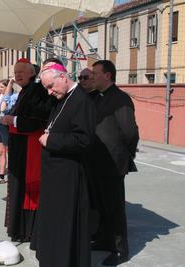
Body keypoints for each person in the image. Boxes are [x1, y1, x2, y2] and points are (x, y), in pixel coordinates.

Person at [34, 63, 96, 267]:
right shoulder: (61, 98)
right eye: (47, 89)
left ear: (63, 77)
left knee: (64, 222)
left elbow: (83, 140)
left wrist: (50, 141)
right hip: (55, 174)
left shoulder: (81, 100)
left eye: (51, 86)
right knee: (54, 221)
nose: (50, 92)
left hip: (68, 175)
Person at [90, 60, 139, 266]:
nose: (92, 77)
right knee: (101, 205)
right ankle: (103, 240)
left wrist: (125, 155)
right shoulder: (98, 98)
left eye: (95, 73)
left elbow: (130, 132)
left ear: (107, 75)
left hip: (113, 162)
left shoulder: (121, 98)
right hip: (98, 161)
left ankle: (120, 251)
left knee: (115, 208)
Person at [0, 58, 52, 242]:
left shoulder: (37, 92)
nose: (18, 74)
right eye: (16, 71)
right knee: (18, 188)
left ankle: (27, 230)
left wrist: (11, 120)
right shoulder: (24, 91)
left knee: (27, 189)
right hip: (20, 148)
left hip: (30, 149)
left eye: (22, 71)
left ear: (32, 73)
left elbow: (38, 120)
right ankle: (20, 229)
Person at [0, 79, 14, 184]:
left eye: (1, 87)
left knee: (9, 151)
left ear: (7, 87)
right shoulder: (1, 98)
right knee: (1, 152)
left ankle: (12, 174)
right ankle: (1, 175)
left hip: (5, 125)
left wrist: (4, 96)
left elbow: (4, 109)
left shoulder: (12, 98)